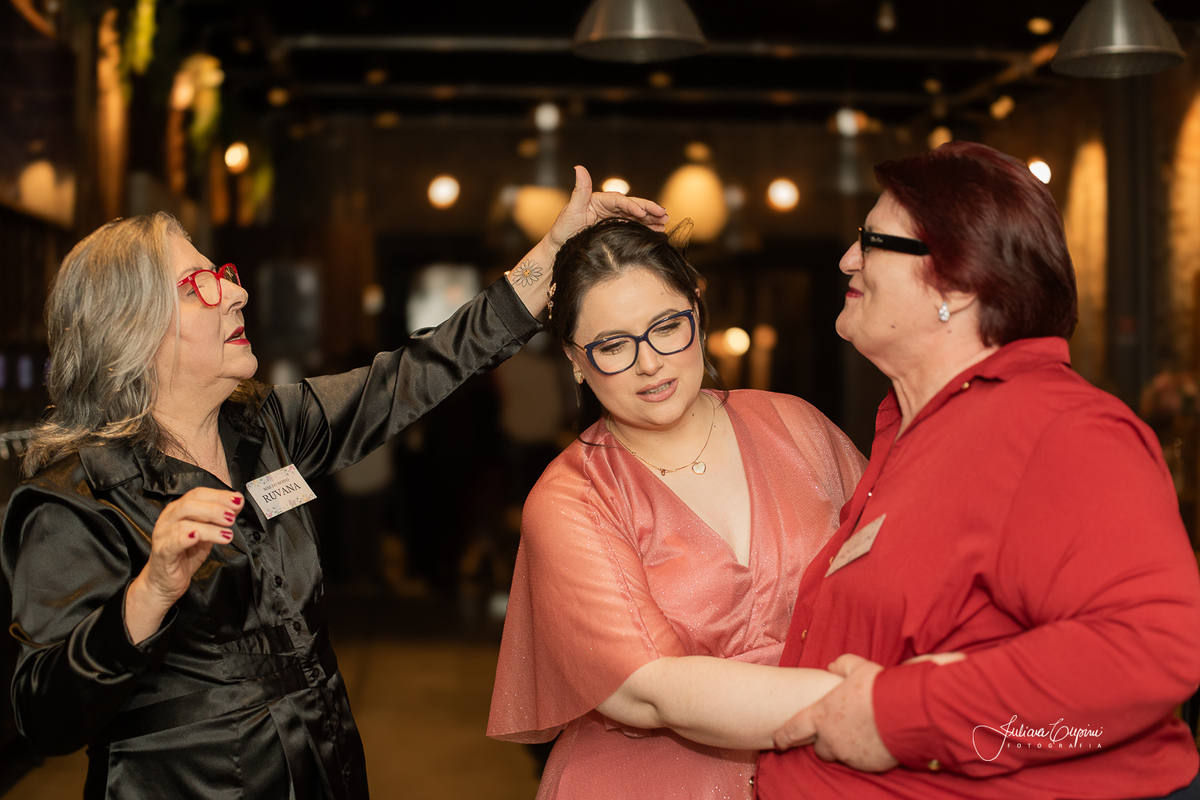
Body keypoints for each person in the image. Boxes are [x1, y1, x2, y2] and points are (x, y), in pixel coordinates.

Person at [0, 168, 666, 800]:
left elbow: (415, 373)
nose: (236, 293)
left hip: (325, 768)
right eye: (199, 285)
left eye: (224, 276)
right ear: (131, 328)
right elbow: (43, 716)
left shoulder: (267, 428)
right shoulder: (76, 497)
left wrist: (549, 255)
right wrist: (149, 595)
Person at [756, 141, 1200, 800]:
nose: (848, 258)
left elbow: (1149, 650)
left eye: (872, 240)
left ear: (959, 285)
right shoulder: (913, 430)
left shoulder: (1061, 430)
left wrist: (901, 715)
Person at [487, 218, 868, 799]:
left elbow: (892, 572)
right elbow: (646, 691)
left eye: (667, 327)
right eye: (613, 346)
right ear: (574, 360)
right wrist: (878, 705)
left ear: (697, 313)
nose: (650, 363)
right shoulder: (573, 498)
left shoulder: (794, 424)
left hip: (824, 776)